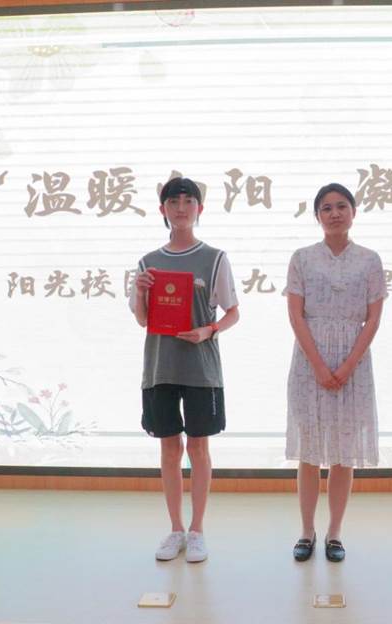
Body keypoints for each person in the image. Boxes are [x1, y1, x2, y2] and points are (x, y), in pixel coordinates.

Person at [130, 177, 239, 563]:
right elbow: (142, 319)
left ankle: (197, 530)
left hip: (201, 368)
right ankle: (175, 528)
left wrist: (208, 330)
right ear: (162, 210)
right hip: (160, 367)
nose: (180, 208)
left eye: (188, 201)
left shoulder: (215, 257)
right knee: (169, 448)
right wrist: (140, 289)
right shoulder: (148, 262)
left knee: (198, 448)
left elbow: (232, 312)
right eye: (173, 202)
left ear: (199, 208)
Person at [285, 182, 386, 563]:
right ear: (317, 216)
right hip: (308, 360)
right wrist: (319, 365)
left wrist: (345, 367)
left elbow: (373, 319)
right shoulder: (302, 258)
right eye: (326, 208)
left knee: (344, 454)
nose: (334, 213)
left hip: (354, 361)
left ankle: (335, 533)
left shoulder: (370, 260)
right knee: (309, 453)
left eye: (342, 206)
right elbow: (296, 315)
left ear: (354, 212)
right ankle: (306, 531)